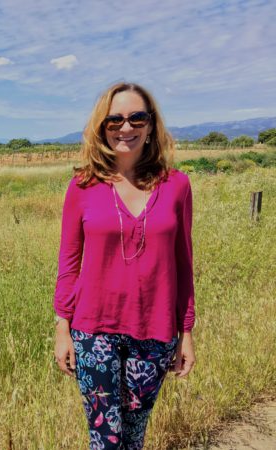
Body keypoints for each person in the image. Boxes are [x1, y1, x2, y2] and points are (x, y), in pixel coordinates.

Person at [53, 82, 196, 449]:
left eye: (137, 118)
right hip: (93, 331)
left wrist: (187, 333)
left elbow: (183, 263)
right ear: (102, 126)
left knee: (133, 437)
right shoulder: (83, 185)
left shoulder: (176, 186)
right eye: (115, 119)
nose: (126, 127)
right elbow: (69, 262)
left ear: (151, 126)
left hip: (155, 332)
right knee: (105, 439)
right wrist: (62, 327)